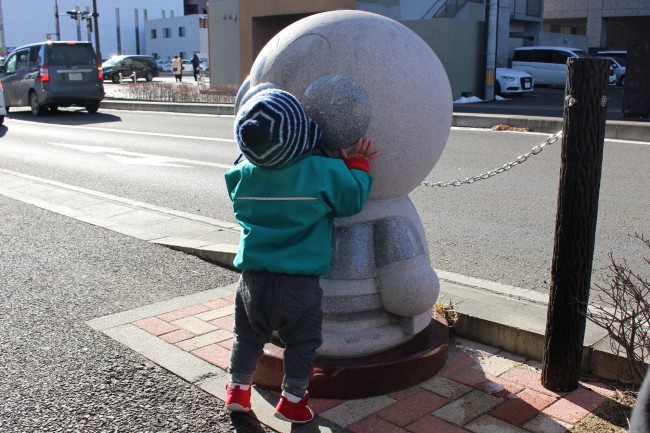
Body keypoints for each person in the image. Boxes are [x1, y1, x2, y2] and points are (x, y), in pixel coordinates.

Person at [224, 88, 379, 423]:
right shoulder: (322, 172)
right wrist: (358, 164)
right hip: (299, 284)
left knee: (248, 335)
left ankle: (238, 390)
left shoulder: (240, 175)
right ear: (302, 135)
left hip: (252, 280)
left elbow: (236, 182)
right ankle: (292, 399)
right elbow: (351, 199)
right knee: (302, 342)